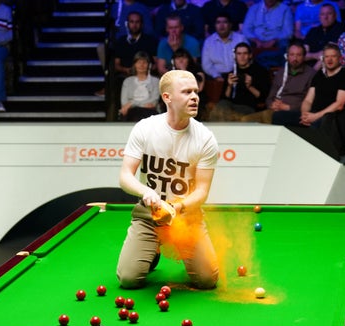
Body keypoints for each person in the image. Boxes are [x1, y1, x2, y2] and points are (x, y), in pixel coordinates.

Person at [116, 69, 220, 290]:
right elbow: (125, 176)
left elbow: (202, 192)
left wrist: (177, 206)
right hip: (149, 215)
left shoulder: (205, 139)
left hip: (187, 217)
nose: (195, 97)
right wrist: (146, 192)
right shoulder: (145, 129)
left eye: (195, 91)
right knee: (128, 279)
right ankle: (152, 249)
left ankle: (168, 247)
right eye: (186, 92)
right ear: (167, 97)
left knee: (207, 280)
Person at [240, 40, 315, 125]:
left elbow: (310, 101)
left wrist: (288, 107)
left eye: (298, 55)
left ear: (304, 57)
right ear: (287, 56)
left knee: (249, 121)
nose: (295, 58)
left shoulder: (311, 74)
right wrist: (272, 105)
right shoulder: (281, 73)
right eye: (292, 55)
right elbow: (270, 97)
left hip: (294, 112)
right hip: (274, 110)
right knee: (245, 121)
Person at [299, 43, 345, 152]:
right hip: (313, 113)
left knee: (320, 123)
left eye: (333, 56)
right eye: (326, 57)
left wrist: (315, 116)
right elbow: (308, 100)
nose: (329, 59)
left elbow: (339, 104)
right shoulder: (319, 74)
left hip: (331, 116)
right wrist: (304, 115)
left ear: (340, 58)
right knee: (279, 116)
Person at [208, 42, 271, 121]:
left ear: (250, 55)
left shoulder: (261, 72)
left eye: (245, 53)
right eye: (239, 54)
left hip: (249, 106)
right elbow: (224, 98)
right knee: (222, 105)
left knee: (224, 112)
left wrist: (250, 86)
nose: (242, 57)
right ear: (235, 56)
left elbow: (263, 98)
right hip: (230, 105)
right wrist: (229, 86)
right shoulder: (232, 73)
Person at [242, 0, 294, 69]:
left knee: (284, 44)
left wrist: (274, 40)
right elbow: (246, 29)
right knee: (243, 42)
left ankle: (283, 72)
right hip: (256, 40)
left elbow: (288, 32)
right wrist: (256, 40)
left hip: (276, 40)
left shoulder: (285, 9)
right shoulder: (254, 9)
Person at [201, 12, 248, 81]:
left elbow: (247, 59)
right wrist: (216, 76)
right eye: (218, 22)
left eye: (225, 22)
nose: (221, 25)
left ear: (230, 25)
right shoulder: (209, 42)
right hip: (216, 77)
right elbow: (206, 65)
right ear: (215, 25)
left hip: (238, 75)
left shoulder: (241, 39)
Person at [302, 2, 345, 70]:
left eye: (329, 14)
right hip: (308, 69)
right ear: (319, 17)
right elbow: (303, 55)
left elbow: (327, 55)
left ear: (335, 15)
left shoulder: (341, 29)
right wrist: (315, 55)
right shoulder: (313, 31)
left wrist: (311, 75)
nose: (325, 17)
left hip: (327, 69)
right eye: (322, 14)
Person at [119, 52, 160, 121]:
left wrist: (132, 103)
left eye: (144, 62)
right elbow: (124, 104)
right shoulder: (127, 81)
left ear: (149, 65)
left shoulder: (155, 81)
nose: (141, 65)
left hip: (149, 112)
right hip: (132, 112)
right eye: (138, 62)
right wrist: (142, 104)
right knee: (135, 114)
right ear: (134, 64)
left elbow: (153, 103)